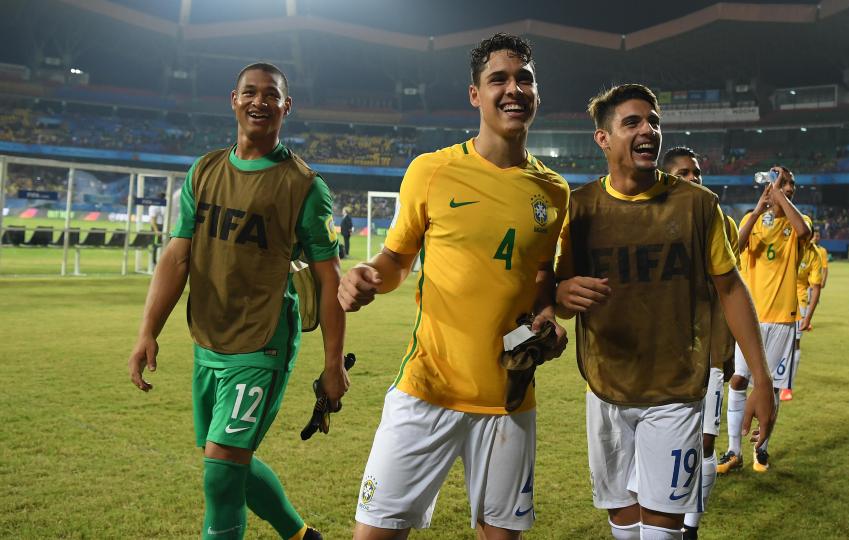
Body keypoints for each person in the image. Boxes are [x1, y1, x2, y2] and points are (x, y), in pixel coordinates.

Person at [338, 33, 569, 539]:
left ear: (537, 91)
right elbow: (397, 259)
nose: (514, 89)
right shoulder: (432, 170)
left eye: (524, 79)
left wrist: (547, 312)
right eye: (499, 80)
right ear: (475, 94)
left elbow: (540, 274)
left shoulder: (554, 191)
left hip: (509, 398)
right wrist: (370, 275)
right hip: (428, 389)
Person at [126, 63, 347, 540]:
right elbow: (176, 257)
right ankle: (302, 535)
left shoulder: (305, 187)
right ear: (233, 99)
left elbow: (330, 282)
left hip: (262, 340)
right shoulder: (204, 171)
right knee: (222, 461)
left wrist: (334, 364)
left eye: (271, 95)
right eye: (250, 92)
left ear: (287, 106)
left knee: (221, 470)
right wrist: (148, 330)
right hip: (208, 338)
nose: (260, 102)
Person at [555, 86, 774, 540]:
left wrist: (762, 379)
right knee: (622, 521)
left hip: (675, 388)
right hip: (606, 387)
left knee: (663, 528)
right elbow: (560, 296)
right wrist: (560, 295)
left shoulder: (698, 205)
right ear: (602, 138)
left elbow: (731, 288)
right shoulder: (579, 208)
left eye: (653, 121)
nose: (648, 130)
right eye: (632, 122)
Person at [661, 146, 740, 539]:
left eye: (697, 173)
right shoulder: (651, 220)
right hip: (660, 354)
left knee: (704, 442)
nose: (693, 179)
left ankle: (691, 526)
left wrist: (725, 352)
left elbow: (728, 290)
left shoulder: (720, 222)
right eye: (682, 174)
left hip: (706, 350)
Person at [719, 166, 811, 474]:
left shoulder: (800, 221)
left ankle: (762, 448)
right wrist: (759, 208)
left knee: (769, 387)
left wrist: (780, 197)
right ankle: (733, 449)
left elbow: (803, 232)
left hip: (783, 319)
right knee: (739, 379)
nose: (787, 187)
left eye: (789, 184)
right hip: (751, 318)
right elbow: (736, 247)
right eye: (782, 182)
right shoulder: (752, 219)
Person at [781, 237, 823, 402]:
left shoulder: (814, 254)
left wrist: (808, 317)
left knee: (794, 343)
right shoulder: (786, 243)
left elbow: (816, 286)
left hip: (799, 301)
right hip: (776, 299)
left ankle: (787, 386)